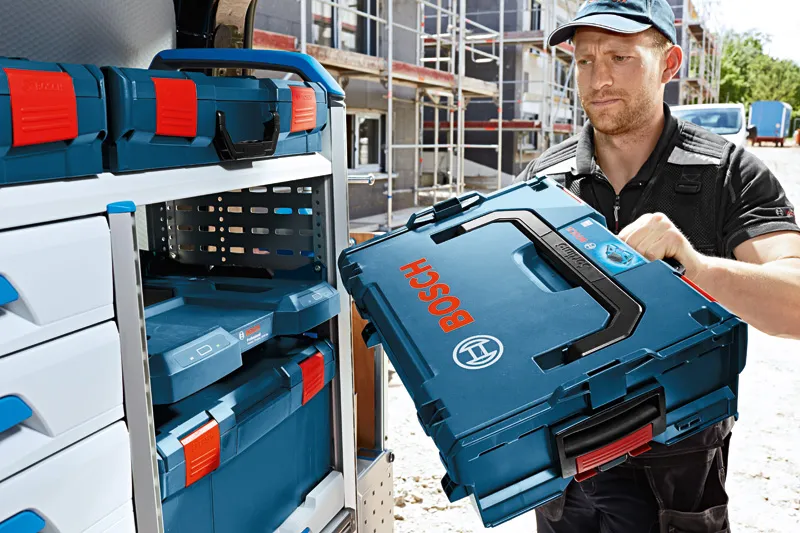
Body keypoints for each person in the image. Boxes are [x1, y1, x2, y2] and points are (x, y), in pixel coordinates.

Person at [514, 0, 800, 531]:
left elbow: (796, 303)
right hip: (565, 475)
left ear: (669, 64)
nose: (598, 78)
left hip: (679, 473)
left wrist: (696, 268)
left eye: (620, 57)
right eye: (584, 60)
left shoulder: (729, 173)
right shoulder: (542, 183)